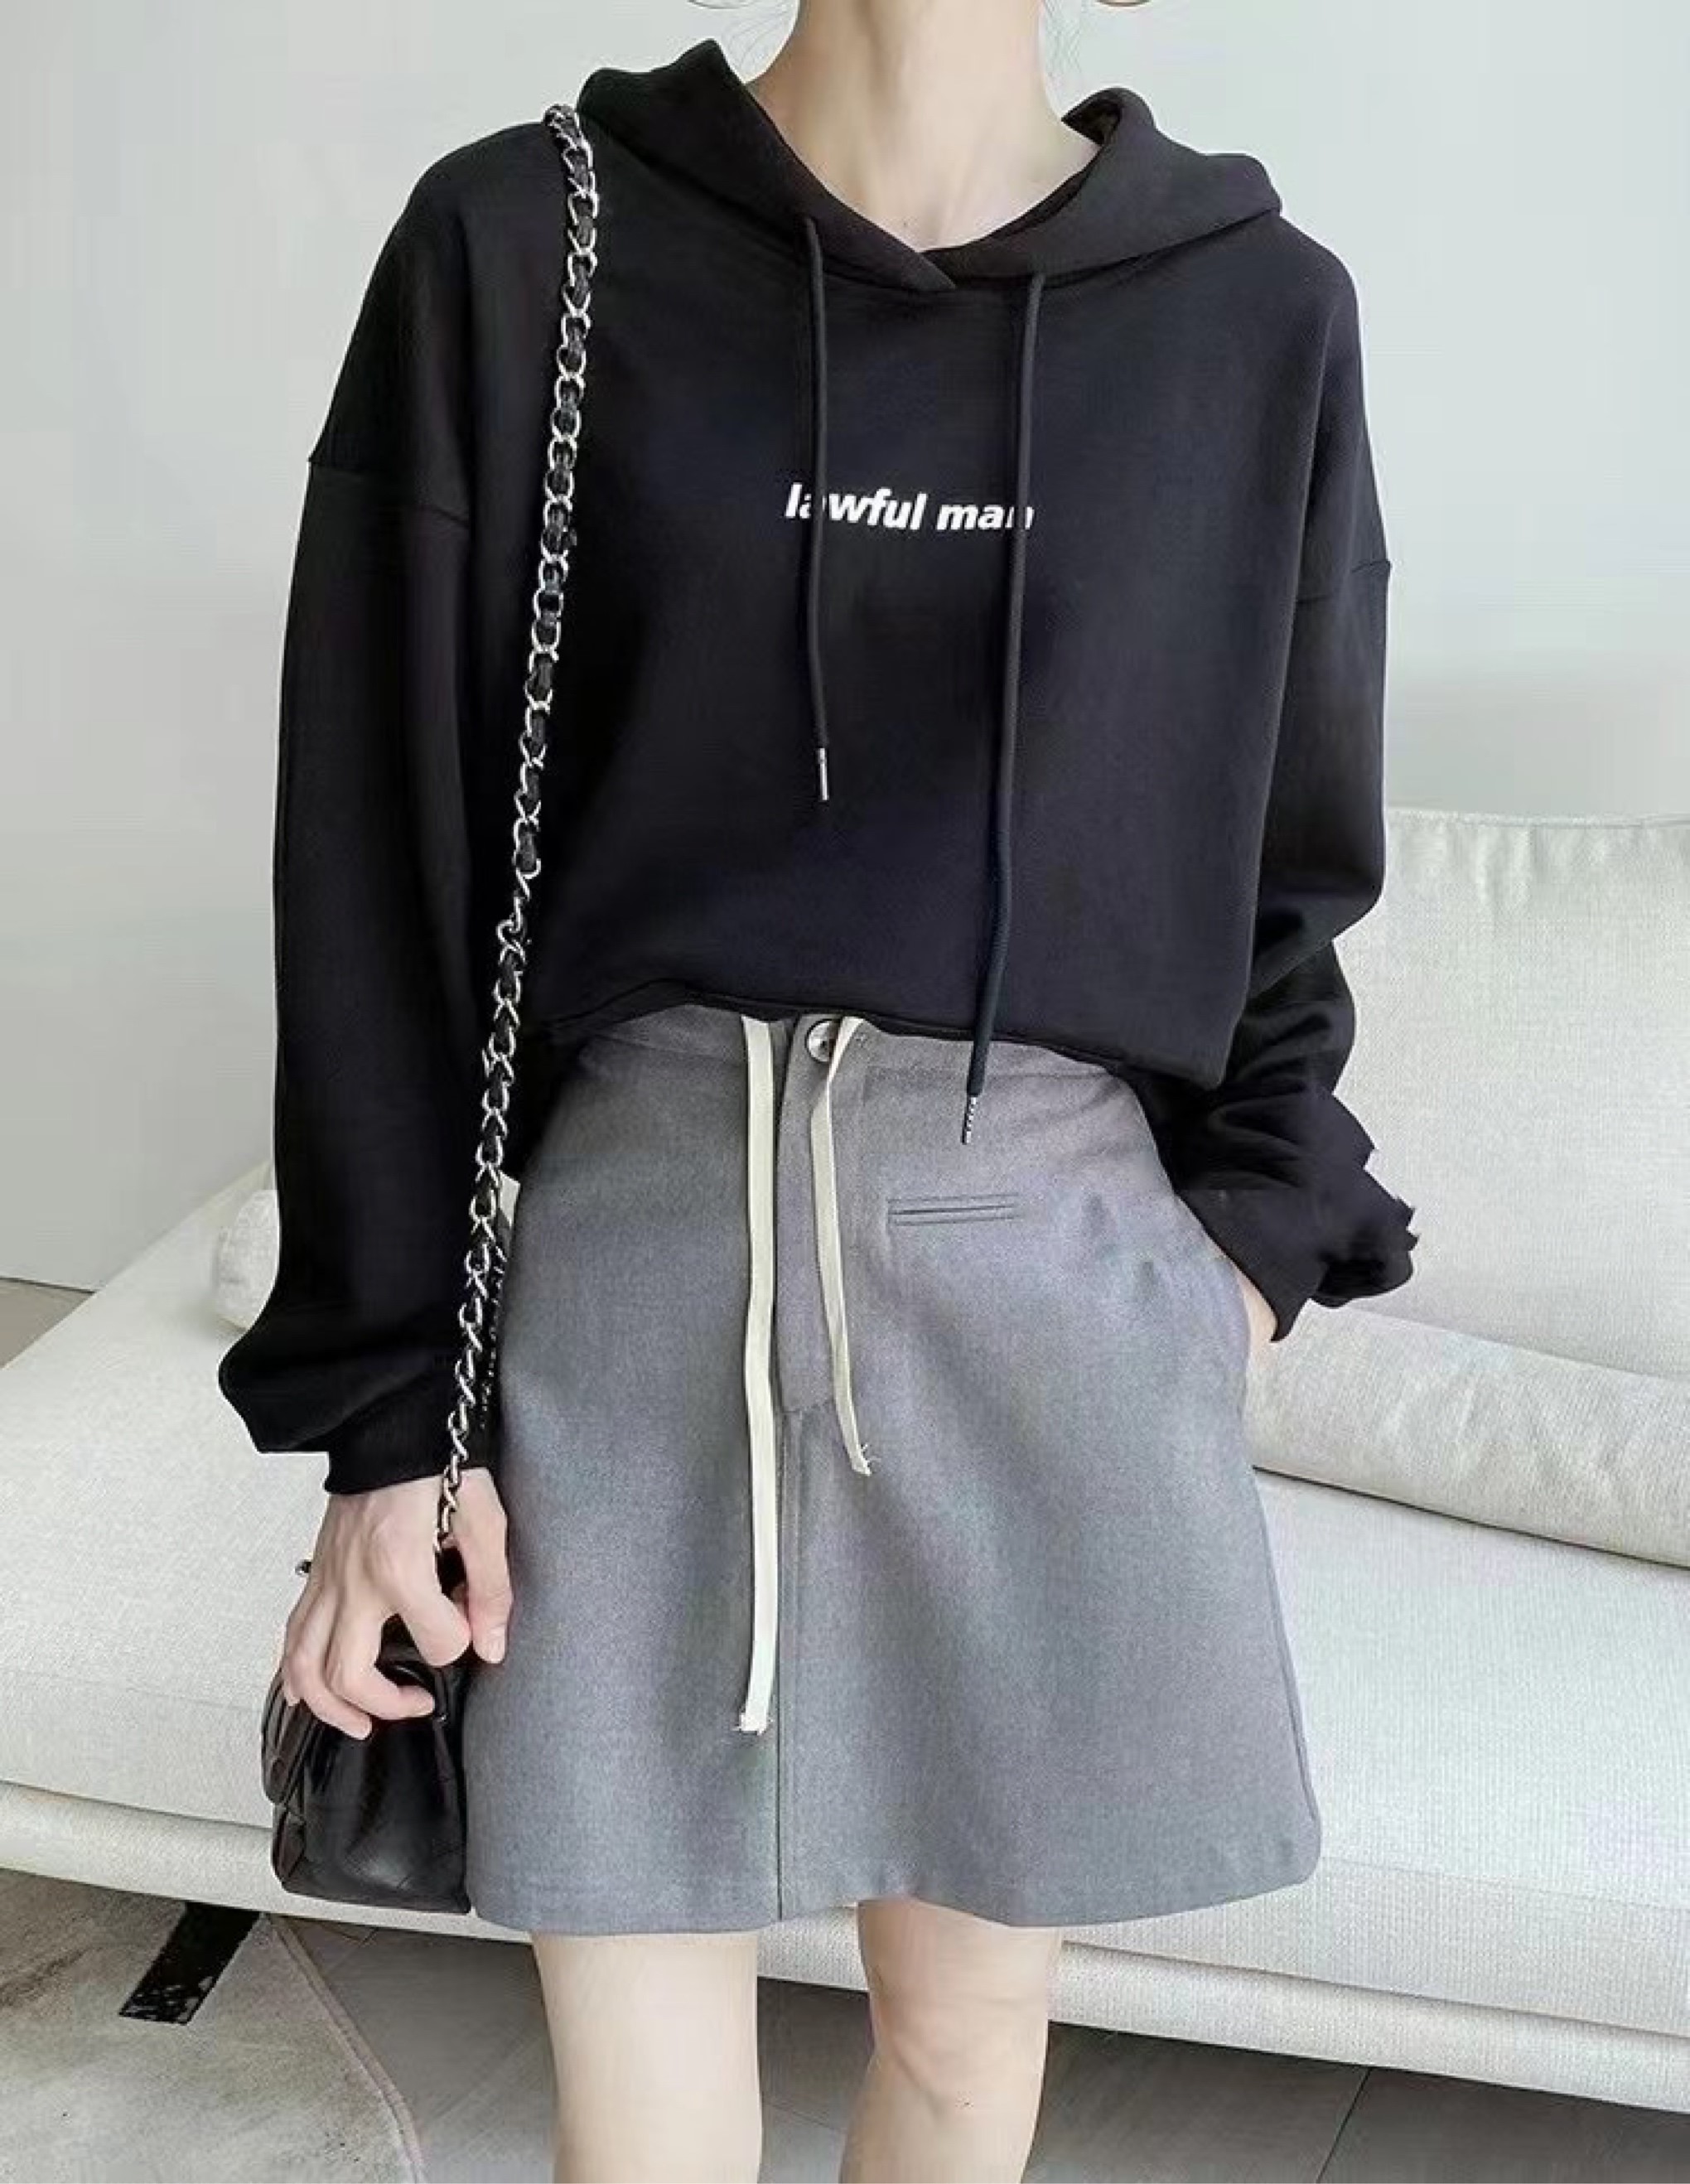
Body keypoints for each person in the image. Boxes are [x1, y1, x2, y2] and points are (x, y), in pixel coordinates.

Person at [217, 2, 1417, 2177]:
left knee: (963, 2050)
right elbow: (380, 861)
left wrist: (1235, 1257)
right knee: (639, 2115)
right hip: (639, 1258)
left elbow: (1289, 859)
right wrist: (392, 1414)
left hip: (1047, 1270)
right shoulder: (523, 242)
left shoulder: (1256, 315)